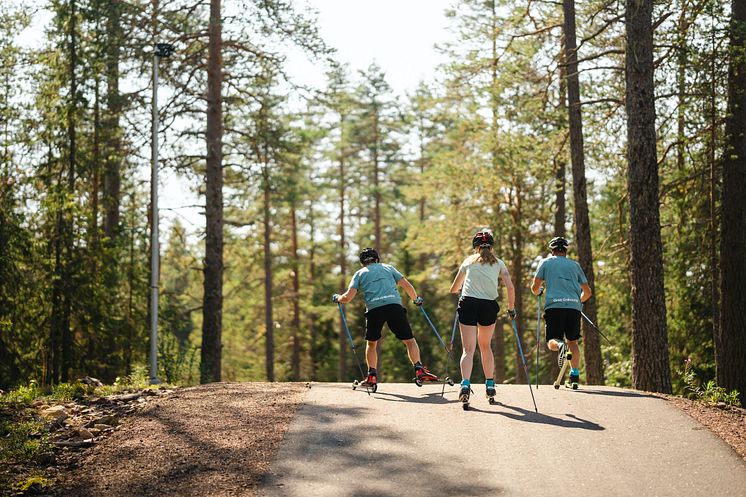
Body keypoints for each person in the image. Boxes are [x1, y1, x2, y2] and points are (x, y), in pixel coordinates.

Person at [332, 247, 438, 388]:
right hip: (394, 307)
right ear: (377, 259)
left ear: (362, 262)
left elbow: (347, 298)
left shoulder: (359, 273)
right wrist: (416, 299)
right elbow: (405, 284)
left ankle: (372, 376)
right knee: (409, 341)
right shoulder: (388, 268)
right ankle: (419, 369)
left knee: (372, 343)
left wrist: (338, 298)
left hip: (374, 310)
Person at [449, 230, 515, 404]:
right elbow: (510, 287)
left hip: (468, 304)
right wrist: (511, 308)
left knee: (468, 349)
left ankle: (465, 384)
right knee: (485, 346)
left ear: (475, 247)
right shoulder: (499, 263)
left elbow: (454, 288)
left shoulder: (468, 261)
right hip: (488, 306)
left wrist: (460, 291)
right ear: (491, 247)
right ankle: (490, 384)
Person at [530, 236, 592, 387]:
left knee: (552, 341)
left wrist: (539, 292)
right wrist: (577, 301)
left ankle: (560, 346)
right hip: (574, 308)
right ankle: (575, 377)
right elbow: (587, 292)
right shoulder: (575, 265)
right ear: (565, 250)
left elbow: (535, 287)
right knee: (573, 341)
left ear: (552, 251)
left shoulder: (545, 262)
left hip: (554, 306)